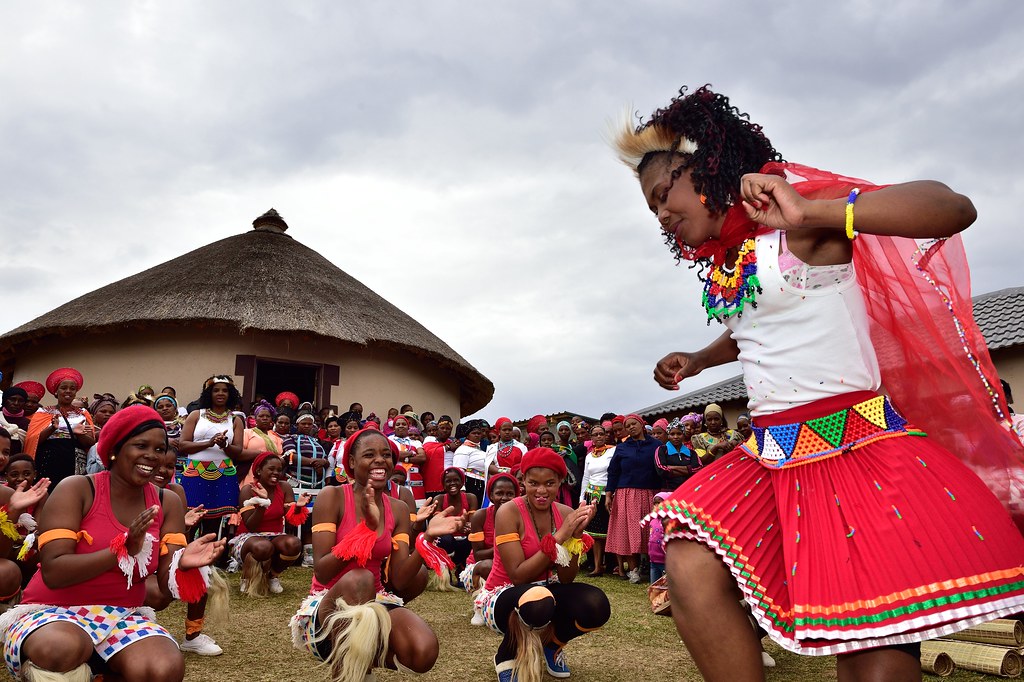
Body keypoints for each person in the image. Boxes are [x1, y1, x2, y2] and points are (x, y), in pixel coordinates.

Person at [614, 84, 1024, 680]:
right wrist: (701, 359)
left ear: (705, 167)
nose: (660, 214)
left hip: (855, 447)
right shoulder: (732, 257)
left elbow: (951, 206)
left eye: (661, 194)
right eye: (650, 208)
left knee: (872, 664)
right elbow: (764, 326)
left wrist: (815, 210)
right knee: (688, 558)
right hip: (773, 453)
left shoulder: (802, 218)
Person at [0, 405, 225, 681]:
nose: (152, 456)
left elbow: (166, 588)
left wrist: (185, 566)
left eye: (159, 449)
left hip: (122, 615)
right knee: (63, 648)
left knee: (164, 666)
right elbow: (54, 572)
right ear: (115, 448)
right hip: (52, 610)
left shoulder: (169, 502)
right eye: (141, 445)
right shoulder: (77, 488)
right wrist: (120, 550)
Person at [289, 426, 467, 680]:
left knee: (423, 651)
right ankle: (348, 673)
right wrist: (366, 531)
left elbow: (400, 580)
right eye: (369, 454)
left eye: (386, 454)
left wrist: (426, 538)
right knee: (359, 578)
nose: (380, 460)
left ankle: (363, 667)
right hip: (327, 610)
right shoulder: (333, 496)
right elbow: (323, 569)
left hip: (375, 602)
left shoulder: (399, 509)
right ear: (352, 462)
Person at [475, 448, 610, 682]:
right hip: (501, 596)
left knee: (596, 604)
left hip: (547, 590)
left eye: (549, 483)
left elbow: (567, 578)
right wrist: (561, 535)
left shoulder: (565, 512)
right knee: (538, 598)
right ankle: (506, 654)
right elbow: (518, 576)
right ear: (523, 482)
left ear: (560, 482)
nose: (541, 491)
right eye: (533, 483)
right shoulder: (508, 511)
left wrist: (575, 536)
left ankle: (552, 645)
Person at [147, 446, 221, 656]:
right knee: (159, 596)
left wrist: (185, 525)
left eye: (169, 466)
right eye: (157, 465)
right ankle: (137, 621)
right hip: (132, 567)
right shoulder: (130, 491)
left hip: (162, 562)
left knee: (199, 572)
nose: (162, 470)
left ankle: (193, 635)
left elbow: (178, 543)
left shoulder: (175, 492)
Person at [233, 451, 310, 596]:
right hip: (248, 538)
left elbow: (291, 520)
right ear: (258, 470)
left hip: (275, 535)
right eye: (271, 469)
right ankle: (247, 577)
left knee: (294, 544)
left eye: (279, 470)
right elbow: (251, 526)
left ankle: (272, 576)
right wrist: (263, 503)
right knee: (263, 546)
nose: (276, 473)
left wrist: (298, 507)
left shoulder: (284, 487)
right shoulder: (247, 490)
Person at [178, 376, 246, 532]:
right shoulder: (196, 415)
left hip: (223, 474)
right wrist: (209, 443)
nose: (220, 393)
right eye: (216, 390)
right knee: (189, 522)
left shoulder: (235, 419)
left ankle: (210, 555)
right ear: (209, 393)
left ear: (231, 394)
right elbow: (183, 445)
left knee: (213, 526)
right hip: (195, 473)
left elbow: (238, 451)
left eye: (225, 390)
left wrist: (225, 445)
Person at [604, 414, 661, 583]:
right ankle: (633, 569)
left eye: (633, 424)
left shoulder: (656, 445)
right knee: (628, 532)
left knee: (651, 532)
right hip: (625, 494)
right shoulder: (621, 448)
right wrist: (609, 493)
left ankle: (653, 568)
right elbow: (613, 471)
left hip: (650, 493)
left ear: (642, 424)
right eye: (627, 425)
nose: (630, 427)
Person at [24, 368, 97, 492]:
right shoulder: (43, 412)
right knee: (47, 492)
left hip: (75, 460)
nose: (68, 391)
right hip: (49, 459)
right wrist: (52, 428)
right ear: (56, 392)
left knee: (71, 493)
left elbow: (90, 443)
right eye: (63, 388)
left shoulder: (83, 413)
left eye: (72, 388)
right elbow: (33, 441)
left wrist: (78, 434)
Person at [463, 472, 519, 625]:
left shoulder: (521, 516)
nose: (505, 498)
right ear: (491, 496)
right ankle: (481, 606)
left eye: (510, 494)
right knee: (489, 565)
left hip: (509, 566)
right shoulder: (480, 516)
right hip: (478, 567)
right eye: (499, 493)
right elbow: (478, 554)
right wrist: (503, 547)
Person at [579, 424, 615, 577]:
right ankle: (597, 565)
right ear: (591, 438)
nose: (599, 437)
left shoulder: (613, 451)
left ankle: (613, 565)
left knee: (608, 531)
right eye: (596, 435)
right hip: (591, 496)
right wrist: (582, 498)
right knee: (594, 533)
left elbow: (614, 473)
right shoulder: (589, 456)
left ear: (606, 435)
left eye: (602, 434)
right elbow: (586, 477)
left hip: (607, 495)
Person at [430, 467, 478, 579]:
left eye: (456, 480)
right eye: (448, 481)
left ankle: (462, 570)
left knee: (472, 538)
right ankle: (445, 573)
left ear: (462, 482)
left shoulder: (471, 498)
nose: (453, 484)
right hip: (446, 538)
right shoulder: (439, 499)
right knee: (445, 539)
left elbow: (472, 523)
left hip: (464, 536)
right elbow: (438, 525)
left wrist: (464, 528)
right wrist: (459, 526)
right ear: (443, 484)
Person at [655, 418, 702, 491]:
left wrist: (672, 467)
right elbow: (661, 470)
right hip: (668, 491)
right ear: (668, 436)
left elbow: (698, 469)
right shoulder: (662, 450)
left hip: (688, 490)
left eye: (679, 434)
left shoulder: (691, 453)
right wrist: (688, 470)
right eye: (672, 434)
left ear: (683, 435)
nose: (676, 437)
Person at [389, 414, 427, 507]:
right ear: (394, 428)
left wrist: (404, 458)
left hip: (415, 482)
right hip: (397, 481)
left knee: (418, 511)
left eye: (403, 424)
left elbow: (422, 458)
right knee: (397, 510)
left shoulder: (415, 442)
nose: (401, 426)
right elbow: (391, 455)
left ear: (408, 427)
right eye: (398, 424)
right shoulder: (389, 440)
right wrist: (412, 453)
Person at [421, 415, 457, 500]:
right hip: (433, 480)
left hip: (449, 480)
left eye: (448, 429)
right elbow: (428, 453)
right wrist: (447, 448)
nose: (445, 430)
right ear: (438, 429)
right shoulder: (430, 440)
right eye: (442, 428)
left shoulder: (453, 443)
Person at [452, 420, 489, 500]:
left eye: (479, 433)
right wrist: (462, 489)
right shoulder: (462, 450)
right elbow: (459, 470)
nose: (476, 435)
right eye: (474, 433)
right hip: (471, 485)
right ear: (467, 436)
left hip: (481, 484)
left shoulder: (480, 450)